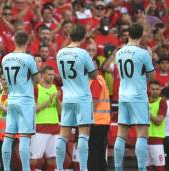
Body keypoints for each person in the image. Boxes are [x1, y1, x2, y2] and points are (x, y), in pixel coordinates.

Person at [113, 23, 155, 171]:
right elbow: (152, 76)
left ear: (128, 34)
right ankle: (141, 168)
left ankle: (118, 168)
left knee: (121, 133)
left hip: (123, 95)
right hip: (138, 96)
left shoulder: (119, 52)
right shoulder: (143, 53)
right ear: (141, 35)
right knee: (142, 132)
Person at [55, 23, 97, 171]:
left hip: (67, 97)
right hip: (82, 97)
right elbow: (94, 74)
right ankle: (84, 168)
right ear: (84, 36)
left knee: (63, 133)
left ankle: (59, 168)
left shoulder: (60, 53)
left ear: (70, 36)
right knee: (84, 133)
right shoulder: (83, 53)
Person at [1, 31, 40, 171]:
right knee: (24, 137)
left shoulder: (5, 58)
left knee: (8, 136)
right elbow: (37, 80)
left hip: (12, 99)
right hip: (25, 100)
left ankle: (6, 169)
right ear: (27, 42)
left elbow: (6, 79)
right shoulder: (29, 58)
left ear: (14, 41)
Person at [30, 66, 61, 170]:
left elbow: (60, 112)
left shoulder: (56, 88)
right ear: (42, 75)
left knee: (52, 159)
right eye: (49, 74)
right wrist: (48, 101)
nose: (52, 77)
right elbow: (33, 109)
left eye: (53, 75)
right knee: (33, 159)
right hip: (40, 127)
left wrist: (56, 100)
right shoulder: (36, 88)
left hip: (55, 127)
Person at [88, 58, 111, 171]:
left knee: (94, 154)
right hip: (102, 121)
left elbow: (94, 104)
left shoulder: (95, 81)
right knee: (100, 153)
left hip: (96, 122)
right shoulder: (100, 79)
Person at [147, 80, 167, 171]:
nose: (155, 91)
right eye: (153, 89)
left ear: (160, 90)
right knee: (146, 168)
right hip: (143, 139)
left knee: (160, 168)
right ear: (149, 89)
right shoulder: (144, 101)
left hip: (157, 139)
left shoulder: (162, 102)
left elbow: (158, 121)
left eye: (157, 89)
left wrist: (146, 110)